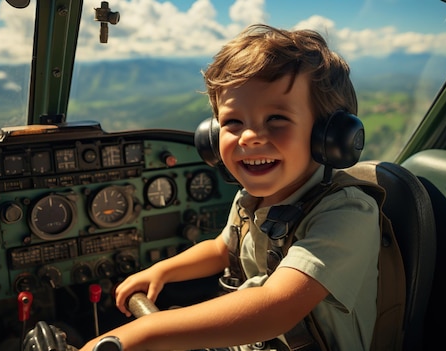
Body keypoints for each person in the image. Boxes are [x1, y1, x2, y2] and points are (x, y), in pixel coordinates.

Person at [79, 23, 380, 351]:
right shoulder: (251, 199)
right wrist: (161, 271)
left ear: (329, 136)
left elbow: (275, 307)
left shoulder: (347, 213)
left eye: (276, 119)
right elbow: (224, 248)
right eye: (233, 123)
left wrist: (148, 330)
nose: (249, 137)